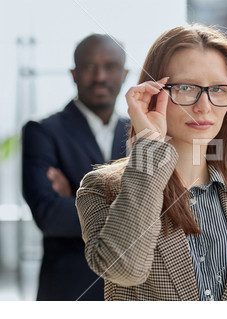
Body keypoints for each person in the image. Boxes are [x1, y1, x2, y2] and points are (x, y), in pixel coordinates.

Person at [75, 24, 227, 301]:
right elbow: (125, 269)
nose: (204, 106)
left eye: (218, 89)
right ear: (153, 91)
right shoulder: (104, 188)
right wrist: (149, 143)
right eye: (185, 87)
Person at [22, 34, 129, 300]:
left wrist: (78, 200)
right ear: (73, 73)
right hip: (68, 291)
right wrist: (133, 208)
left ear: (125, 73)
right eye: (89, 66)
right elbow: (50, 216)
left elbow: (165, 211)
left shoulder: (141, 136)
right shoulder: (43, 132)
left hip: (130, 294)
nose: (100, 76)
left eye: (111, 66)